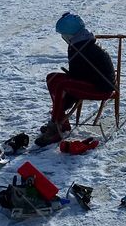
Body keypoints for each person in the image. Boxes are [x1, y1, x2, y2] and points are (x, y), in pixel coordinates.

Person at [35, 13, 116, 146]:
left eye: (63, 35)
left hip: (102, 88)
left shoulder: (79, 47)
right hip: (93, 81)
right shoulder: (83, 41)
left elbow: (75, 77)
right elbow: (79, 74)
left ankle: (56, 126)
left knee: (62, 84)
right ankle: (62, 121)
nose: (63, 38)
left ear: (68, 34)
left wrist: (65, 101)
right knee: (52, 78)